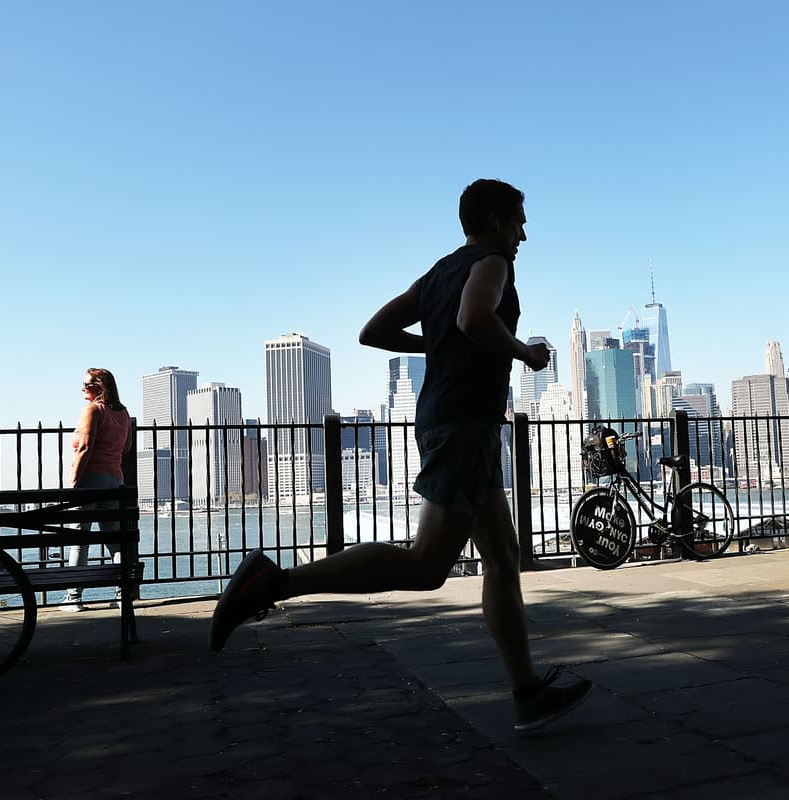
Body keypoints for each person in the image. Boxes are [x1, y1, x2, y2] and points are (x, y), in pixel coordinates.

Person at [209, 179, 594, 733]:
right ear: (492, 221)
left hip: (458, 423)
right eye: (518, 221)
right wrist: (525, 353)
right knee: (426, 565)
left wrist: (435, 342)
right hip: (464, 426)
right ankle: (272, 584)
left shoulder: (437, 273)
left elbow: (375, 331)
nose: (524, 234)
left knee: (503, 558)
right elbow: (473, 320)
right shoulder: (491, 263)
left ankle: (526, 691)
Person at [60, 368, 133, 611]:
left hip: (91, 479)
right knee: (113, 539)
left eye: (87, 385)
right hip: (115, 481)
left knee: (80, 540)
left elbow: (84, 448)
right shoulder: (123, 413)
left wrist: (74, 483)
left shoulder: (92, 410)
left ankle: (73, 598)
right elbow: (126, 449)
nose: (83, 389)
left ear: (100, 386)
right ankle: (123, 594)